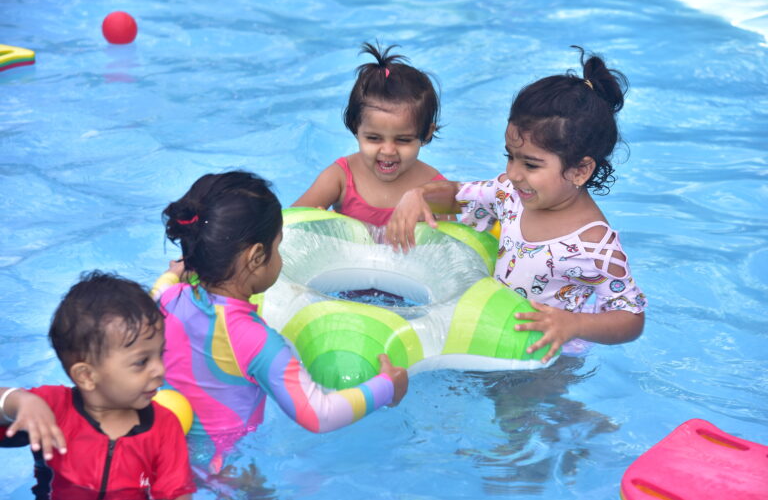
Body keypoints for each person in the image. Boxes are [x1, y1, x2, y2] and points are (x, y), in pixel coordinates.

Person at [386, 47, 647, 363]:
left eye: (531, 165)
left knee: (521, 411)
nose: (513, 173)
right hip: (492, 332)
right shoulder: (510, 195)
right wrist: (417, 196)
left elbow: (631, 318)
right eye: (510, 156)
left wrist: (575, 324)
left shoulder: (594, 247)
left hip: (548, 356)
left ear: (580, 170)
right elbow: (458, 195)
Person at [154, 171, 409, 472]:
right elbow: (318, 413)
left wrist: (178, 270)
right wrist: (386, 387)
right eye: (278, 247)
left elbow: (164, 283)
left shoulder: (166, 300)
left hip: (164, 455)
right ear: (256, 256)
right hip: (227, 471)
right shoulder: (255, 340)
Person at [0, 271, 195, 500]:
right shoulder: (52, 410)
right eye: (142, 361)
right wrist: (19, 401)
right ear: (86, 376)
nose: (160, 369)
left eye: (160, 354)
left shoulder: (164, 428)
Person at [292, 41, 453, 226]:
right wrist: (314, 225)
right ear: (355, 127)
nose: (388, 150)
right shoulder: (340, 177)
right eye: (374, 138)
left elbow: (457, 247)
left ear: (425, 133)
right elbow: (285, 228)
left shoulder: (435, 190)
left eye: (403, 140)